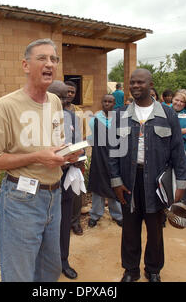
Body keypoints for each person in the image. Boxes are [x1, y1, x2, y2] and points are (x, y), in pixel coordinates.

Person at [0, 38, 80, 282]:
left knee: (49, 270)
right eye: (42, 58)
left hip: (54, 197)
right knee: (20, 275)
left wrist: (67, 155)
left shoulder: (56, 102)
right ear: (26, 65)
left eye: (54, 59)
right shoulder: (6, 106)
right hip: (21, 199)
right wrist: (38, 157)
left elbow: (53, 145)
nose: (50, 64)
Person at [109, 69, 186, 282]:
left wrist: (180, 183)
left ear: (150, 84)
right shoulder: (120, 115)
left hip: (157, 183)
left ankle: (153, 270)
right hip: (129, 181)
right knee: (130, 229)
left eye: (140, 82)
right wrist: (116, 181)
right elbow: (113, 151)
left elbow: (178, 151)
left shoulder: (167, 114)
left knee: (155, 230)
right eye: (132, 82)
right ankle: (131, 270)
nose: (135, 86)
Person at [48, 80, 82, 280]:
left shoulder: (71, 117)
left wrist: (78, 156)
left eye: (65, 96)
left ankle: (63, 260)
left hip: (66, 178)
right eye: (58, 96)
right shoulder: (34, 118)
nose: (63, 100)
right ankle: (45, 263)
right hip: (43, 183)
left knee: (63, 224)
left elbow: (78, 142)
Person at [87, 94, 123, 228]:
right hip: (99, 158)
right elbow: (92, 139)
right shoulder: (94, 120)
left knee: (115, 185)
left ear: (114, 104)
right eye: (105, 101)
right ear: (101, 103)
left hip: (115, 157)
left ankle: (118, 215)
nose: (107, 104)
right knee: (98, 187)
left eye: (110, 102)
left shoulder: (119, 119)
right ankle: (95, 215)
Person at [64, 80, 86, 236]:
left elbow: (81, 135)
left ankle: (75, 222)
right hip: (59, 160)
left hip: (76, 157)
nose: (69, 94)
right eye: (67, 91)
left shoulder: (78, 112)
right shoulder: (53, 110)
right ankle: (63, 222)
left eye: (72, 92)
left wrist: (82, 156)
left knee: (76, 192)